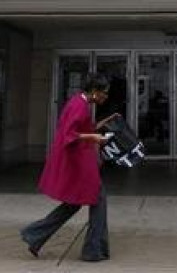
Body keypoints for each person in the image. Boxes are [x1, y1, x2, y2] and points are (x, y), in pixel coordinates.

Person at [20, 72, 116, 262]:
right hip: (77, 164)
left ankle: (34, 235)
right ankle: (92, 250)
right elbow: (69, 135)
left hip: (78, 162)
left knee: (74, 204)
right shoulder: (79, 107)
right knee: (98, 200)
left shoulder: (79, 104)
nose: (106, 96)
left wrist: (102, 124)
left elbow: (80, 130)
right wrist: (94, 137)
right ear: (95, 92)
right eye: (104, 93)